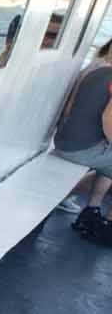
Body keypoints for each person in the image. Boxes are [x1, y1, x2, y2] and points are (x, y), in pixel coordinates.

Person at [53, 39, 112, 238]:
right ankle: (106, 224)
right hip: (80, 151)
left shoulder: (94, 69)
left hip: (62, 141)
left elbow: (69, 108)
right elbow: (108, 119)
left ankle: (92, 208)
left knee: (108, 162)